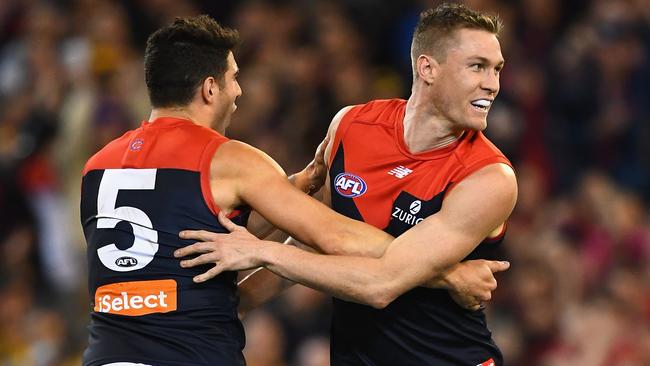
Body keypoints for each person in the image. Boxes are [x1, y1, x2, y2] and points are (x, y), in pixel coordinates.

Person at [80, 14, 504, 366]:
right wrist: (448, 274)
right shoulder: (338, 131)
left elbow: (378, 278)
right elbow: (320, 237)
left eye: (496, 69)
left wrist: (254, 262)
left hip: (108, 351)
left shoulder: (95, 165)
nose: (492, 83)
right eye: (478, 66)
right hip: (200, 354)